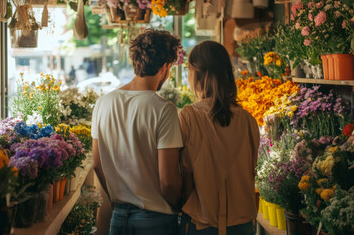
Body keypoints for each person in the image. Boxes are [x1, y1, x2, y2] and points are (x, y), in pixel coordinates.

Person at [91, 29, 183, 235]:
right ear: (166, 67)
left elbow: (97, 164)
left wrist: (117, 199)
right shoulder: (164, 109)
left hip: (119, 219)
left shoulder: (103, 104)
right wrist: (180, 205)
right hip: (155, 220)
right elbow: (168, 182)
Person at [178, 41, 260, 235]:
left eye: (188, 68)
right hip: (243, 223)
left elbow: (183, 173)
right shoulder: (248, 120)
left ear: (198, 73)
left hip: (202, 222)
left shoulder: (189, 116)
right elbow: (251, 169)